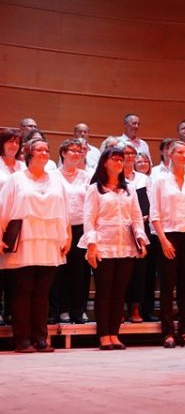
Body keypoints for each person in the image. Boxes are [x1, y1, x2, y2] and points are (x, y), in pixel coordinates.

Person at [0, 137, 71, 352]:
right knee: (22, 291)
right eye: (39, 149)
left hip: (49, 240)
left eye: (47, 150)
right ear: (29, 153)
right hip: (24, 240)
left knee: (42, 292)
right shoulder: (16, 179)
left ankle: (41, 337)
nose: (44, 153)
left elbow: (64, 211)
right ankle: (22, 339)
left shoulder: (56, 179)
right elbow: (3, 208)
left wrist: (67, 236)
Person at [78, 147, 148, 350]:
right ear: (104, 163)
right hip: (103, 244)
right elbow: (89, 219)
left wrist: (141, 239)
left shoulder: (129, 189)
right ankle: (103, 334)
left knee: (119, 292)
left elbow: (136, 217)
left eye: (121, 159)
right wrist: (91, 245)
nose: (119, 162)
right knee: (104, 292)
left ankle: (114, 333)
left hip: (125, 244)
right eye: (115, 159)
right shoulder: (95, 189)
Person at [150, 141, 185, 348]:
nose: (184, 156)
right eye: (180, 152)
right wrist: (163, 240)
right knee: (167, 287)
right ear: (170, 155)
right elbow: (154, 214)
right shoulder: (160, 181)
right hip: (168, 235)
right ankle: (168, 332)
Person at [49, 139, 91, 324]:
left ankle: (78, 310)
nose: (76, 154)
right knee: (59, 270)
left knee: (80, 271)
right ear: (63, 153)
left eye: (79, 151)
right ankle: (60, 309)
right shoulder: (53, 176)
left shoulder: (86, 176)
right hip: (59, 227)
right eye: (72, 150)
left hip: (81, 227)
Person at [120, 142, 149, 323]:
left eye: (132, 153)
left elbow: (149, 202)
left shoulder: (143, 178)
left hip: (140, 227)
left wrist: (143, 218)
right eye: (125, 153)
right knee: (121, 272)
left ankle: (135, 309)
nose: (129, 156)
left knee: (139, 272)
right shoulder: (114, 177)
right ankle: (119, 308)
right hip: (120, 229)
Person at [0, 128, 26, 326]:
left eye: (17, 142)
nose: (14, 145)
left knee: (14, 270)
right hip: (0, 219)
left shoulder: (23, 167)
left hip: (19, 223)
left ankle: (10, 311)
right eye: (10, 141)